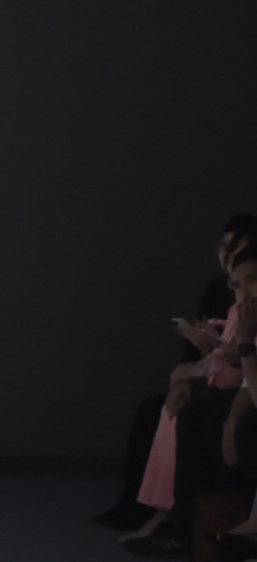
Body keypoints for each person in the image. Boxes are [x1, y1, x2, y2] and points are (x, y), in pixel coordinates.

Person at [95, 214, 257, 531]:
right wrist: (201, 356)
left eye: (237, 248)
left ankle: (184, 518)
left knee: (201, 417)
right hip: (223, 376)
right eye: (224, 247)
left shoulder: (245, 305)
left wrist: (228, 353)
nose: (227, 254)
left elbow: (241, 364)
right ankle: (156, 513)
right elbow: (219, 353)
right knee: (161, 408)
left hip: (234, 384)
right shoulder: (227, 295)